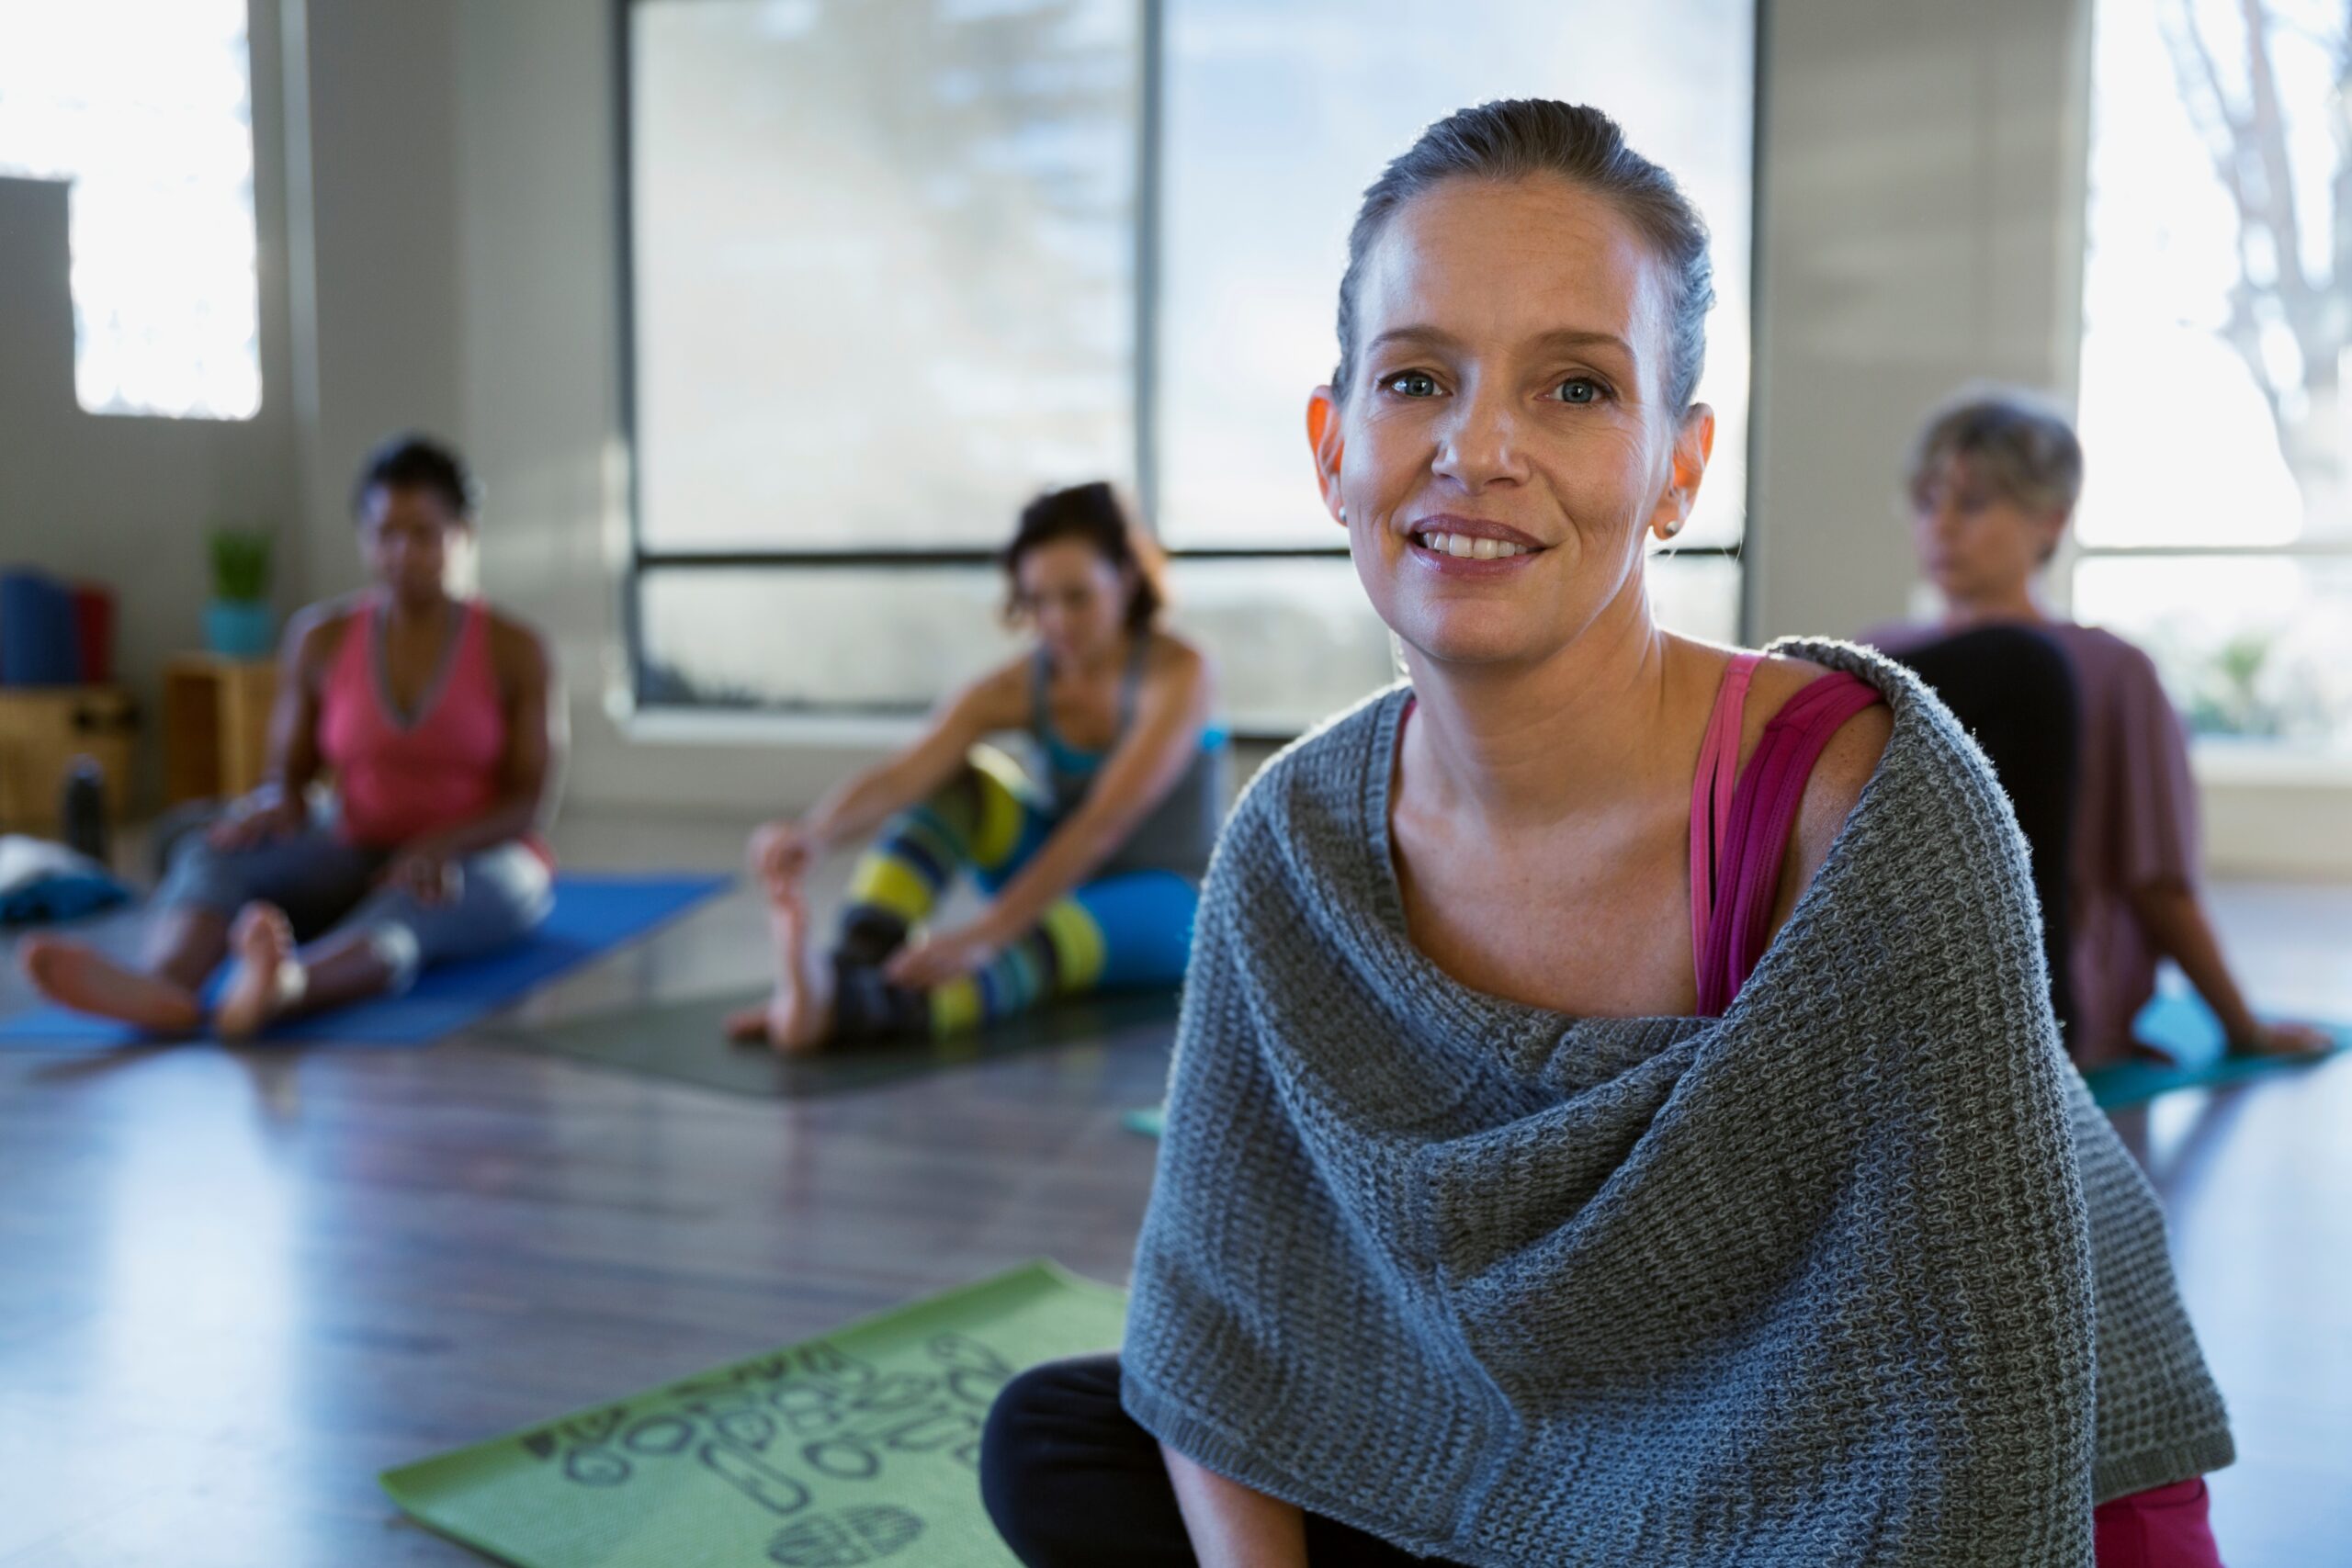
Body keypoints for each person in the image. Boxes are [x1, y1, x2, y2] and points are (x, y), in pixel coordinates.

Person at [980, 101, 2231, 1566]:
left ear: (1677, 468)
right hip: (1552, 1438)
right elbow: (1217, 1322)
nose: (1480, 446)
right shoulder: (1296, 844)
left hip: (1904, 1476)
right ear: (1335, 450)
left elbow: (1967, 1429)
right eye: (1417, 376)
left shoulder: (1857, 801)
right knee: (1060, 1435)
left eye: (1575, 388)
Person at [20, 434, 561, 1041]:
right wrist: (275, 801)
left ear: (464, 532)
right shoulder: (320, 638)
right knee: (210, 849)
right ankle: (163, 985)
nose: (402, 552)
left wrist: (438, 846)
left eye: (424, 534)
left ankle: (285, 987)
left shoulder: (518, 649)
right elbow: (290, 774)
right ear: (363, 534)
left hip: (479, 860)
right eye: (385, 533)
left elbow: (527, 802)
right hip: (353, 843)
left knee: (414, 909)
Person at [1861, 388, 2330, 1069]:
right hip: (1904, 984)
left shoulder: (2113, 672)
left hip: (2049, 1000)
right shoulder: (1879, 654)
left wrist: (2240, 1026)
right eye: (1928, 503)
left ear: (2050, 519)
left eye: (1973, 503)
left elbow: (2160, 884)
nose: (1942, 527)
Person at [731, 480, 1226, 1052]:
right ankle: (838, 975)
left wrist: (985, 935)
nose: (1056, 621)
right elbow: (905, 774)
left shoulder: (1181, 672)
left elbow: (1101, 826)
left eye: (1077, 598)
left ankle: (854, 1009)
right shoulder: (1020, 684)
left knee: (1039, 935)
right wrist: (815, 833)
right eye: (1038, 601)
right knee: (962, 783)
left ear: (1128, 580)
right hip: (1064, 876)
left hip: (1171, 901)